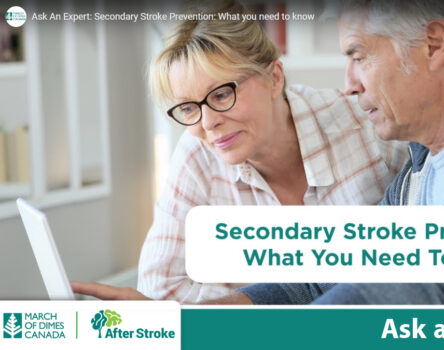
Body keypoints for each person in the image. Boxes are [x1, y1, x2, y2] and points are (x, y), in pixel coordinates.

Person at [184, 0, 444, 305]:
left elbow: (440, 263)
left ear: (432, 44)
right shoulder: (416, 178)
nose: (349, 85)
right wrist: (224, 312)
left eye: (358, 56)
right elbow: (329, 275)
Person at [71, 0, 408, 302]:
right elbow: (159, 288)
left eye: (220, 95)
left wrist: (244, 296)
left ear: (275, 77)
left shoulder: (364, 124)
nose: (208, 123)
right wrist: (260, 299)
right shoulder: (196, 156)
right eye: (188, 108)